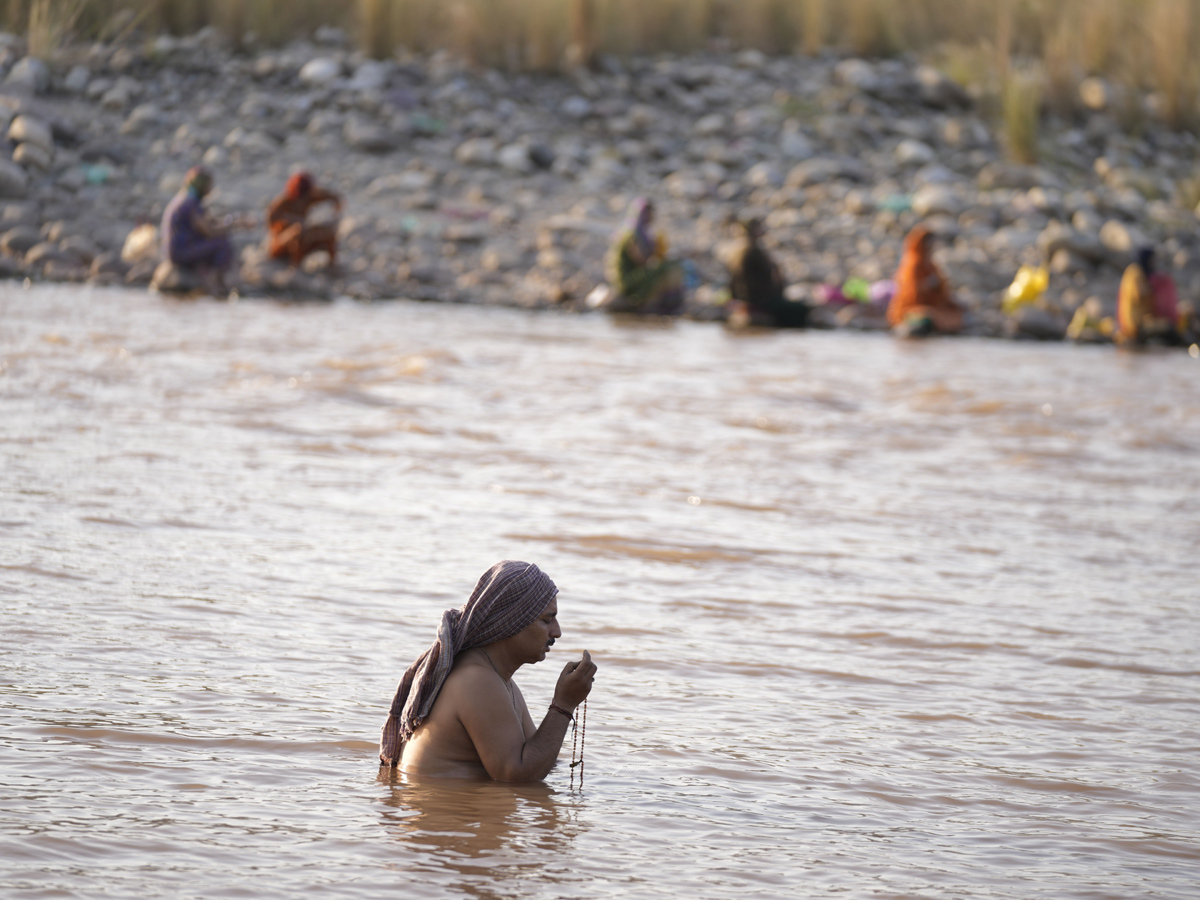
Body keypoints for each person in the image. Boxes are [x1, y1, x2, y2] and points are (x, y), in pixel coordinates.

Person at [380, 560, 596, 782]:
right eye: (547, 620)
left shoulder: (499, 681)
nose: (557, 632)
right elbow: (517, 775)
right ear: (512, 621)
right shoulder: (477, 680)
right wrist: (564, 705)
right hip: (441, 811)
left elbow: (539, 760)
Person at [160, 166, 236, 294]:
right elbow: (209, 231)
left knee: (217, 241)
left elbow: (208, 222)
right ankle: (217, 282)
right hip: (180, 253)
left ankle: (207, 277)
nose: (211, 189)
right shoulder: (190, 203)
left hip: (176, 251)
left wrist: (233, 221)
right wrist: (233, 225)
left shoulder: (185, 198)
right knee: (223, 244)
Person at [605, 197, 686, 315]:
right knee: (669, 266)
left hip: (626, 277)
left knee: (668, 265)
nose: (651, 217)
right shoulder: (631, 234)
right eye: (649, 214)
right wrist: (657, 250)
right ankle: (659, 302)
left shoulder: (632, 230)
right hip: (626, 281)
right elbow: (641, 260)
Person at [728, 217, 808, 328]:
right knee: (802, 309)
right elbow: (768, 278)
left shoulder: (735, 251)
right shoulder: (753, 252)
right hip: (760, 300)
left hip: (744, 297)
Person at [887, 225, 964, 336]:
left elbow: (943, 290)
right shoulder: (912, 265)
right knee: (924, 316)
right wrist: (927, 285)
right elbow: (910, 292)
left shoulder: (931, 266)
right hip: (911, 308)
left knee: (956, 313)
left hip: (932, 306)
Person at [267, 171, 342, 267]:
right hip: (281, 244)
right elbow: (270, 224)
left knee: (329, 234)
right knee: (297, 232)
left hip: (302, 238)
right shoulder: (282, 203)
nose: (302, 198)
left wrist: (335, 210)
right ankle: (295, 270)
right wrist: (285, 227)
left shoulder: (310, 198)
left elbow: (334, 197)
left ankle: (333, 267)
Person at [1116, 247, 1183, 345]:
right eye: (1152, 260)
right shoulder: (1135, 273)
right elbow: (1140, 293)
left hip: (1134, 323)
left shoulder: (1134, 272)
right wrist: (1156, 286)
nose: (1153, 263)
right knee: (1168, 329)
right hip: (1134, 325)